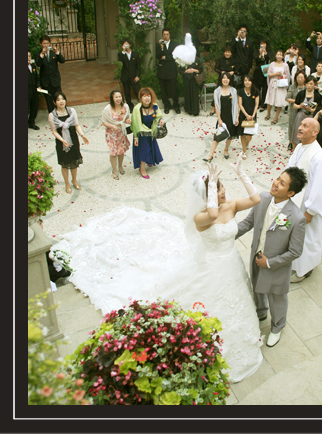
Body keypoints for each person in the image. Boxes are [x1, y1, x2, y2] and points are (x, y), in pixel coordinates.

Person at [48, 157, 267, 383]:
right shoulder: (200, 217)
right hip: (211, 265)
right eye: (218, 189)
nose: (223, 192)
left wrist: (242, 173)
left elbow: (256, 198)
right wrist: (212, 185)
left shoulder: (230, 206)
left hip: (230, 262)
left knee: (235, 301)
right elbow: (212, 215)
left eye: (221, 187)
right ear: (206, 194)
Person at [235, 167, 308, 348]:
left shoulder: (297, 218)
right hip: (256, 257)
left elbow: (295, 251)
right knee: (257, 287)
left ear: (291, 193)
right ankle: (260, 313)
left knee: (277, 297)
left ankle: (277, 326)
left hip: (275, 266)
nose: (275, 183)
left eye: (282, 183)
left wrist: (269, 263)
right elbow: (248, 223)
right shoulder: (262, 198)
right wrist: (227, 234)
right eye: (277, 178)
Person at [287, 118, 322, 282]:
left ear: (315, 132)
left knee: (307, 239)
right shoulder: (300, 147)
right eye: (300, 124)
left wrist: (311, 211)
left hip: (307, 207)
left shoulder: (319, 158)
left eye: (305, 126)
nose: (300, 128)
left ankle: (305, 270)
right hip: (295, 201)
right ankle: (294, 264)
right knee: (296, 236)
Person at [48, 91, 89, 193]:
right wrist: (62, 140)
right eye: (58, 100)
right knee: (65, 164)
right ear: (54, 102)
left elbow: (76, 125)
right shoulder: (52, 115)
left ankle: (74, 180)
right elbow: (54, 131)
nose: (61, 101)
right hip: (61, 143)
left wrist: (83, 135)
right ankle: (67, 183)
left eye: (63, 99)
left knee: (74, 161)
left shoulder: (72, 111)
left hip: (73, 140)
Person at [131, 87, 164, 179]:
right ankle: (142, 169)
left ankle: (149, 160)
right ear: (141, 98)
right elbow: (134, 124)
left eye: (148, 96)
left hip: (151, 132)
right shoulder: (137, 109)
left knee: (150, 147)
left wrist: (160, 120)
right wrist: (136, 138)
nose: (147, 98)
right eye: (144, 96)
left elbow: (159, 116)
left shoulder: (154, 106)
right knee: (144, 150)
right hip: (141, 134)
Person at [206, 72, 239, 162]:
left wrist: (237, 117)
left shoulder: (234, 90)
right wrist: (219, 119)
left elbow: (236, 104)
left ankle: (226, 150)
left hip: (231, 116)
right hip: (222, 116)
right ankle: (210, 155)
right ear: (221, 79)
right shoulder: (217, 91)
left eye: (227, 78)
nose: (225, 79)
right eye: (223, 78)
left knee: (229, 135)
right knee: (217, 135)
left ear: (230, 80)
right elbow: (216, 105)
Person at [101, 90, 131, 180]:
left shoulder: (125, 106)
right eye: (116, 97)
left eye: (120, 96)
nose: (118, 99)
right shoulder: (107, 109)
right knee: (113, 152)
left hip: (121, 132)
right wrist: (112, 126)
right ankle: (114, 170)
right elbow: (104, 122)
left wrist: (127, 121)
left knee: (121, 150)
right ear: (112, 98)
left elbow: (126, 118)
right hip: (111, 134)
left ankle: (120, 166)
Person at [289, 75, 322, 149]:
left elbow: (319, 109)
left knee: (308, 135)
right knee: (296, 134)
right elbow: (294, 105)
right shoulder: (301, 93)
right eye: (308, 83)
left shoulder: (318, 96)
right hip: (300, 115)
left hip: (311, 116)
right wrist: (300, 106)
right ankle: (295, 150)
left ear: (315, 85)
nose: (309, 86)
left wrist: (311, 110)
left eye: (311, 84)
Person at [36, 35, 65, 113]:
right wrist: (42, 54)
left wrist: (57, 53)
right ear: (41, 44)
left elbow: (62, 61)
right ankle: (52, 116)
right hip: (46, 81)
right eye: (44, 43)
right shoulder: (38, 54)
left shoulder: (53, 53)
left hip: (55, 80)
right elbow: (38, 64)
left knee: (59, 98)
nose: (46, 45)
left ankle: (61, 113)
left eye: (47, 43)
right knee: (49, 100)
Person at [156, 28, 180, 114]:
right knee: (164, 90)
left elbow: (175, 56)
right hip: (162, 70)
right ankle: (167, 105)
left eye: (167, 34)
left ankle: (176, 105)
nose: (165, 36)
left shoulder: (175, 44)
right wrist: (162, 48)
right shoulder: (159, 45)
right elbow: (158, 56)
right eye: (164, 34)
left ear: (170, 35)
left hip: (171, 70)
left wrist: (165, 57)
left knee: (173, 89)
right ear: (162, 35)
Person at [264, 49, 290, 125]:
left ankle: (276, 117)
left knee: (279, 101)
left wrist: (282, 75)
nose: (279, 56)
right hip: (273, 83)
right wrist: (275, 74)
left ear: (283, 56)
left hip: (281, 84)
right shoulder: (272, 64)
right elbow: (268, 74)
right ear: (275, 55)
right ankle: (268, 113)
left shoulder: (285, 65)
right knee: (270, 100)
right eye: (277, 54)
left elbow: (288, 76)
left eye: (280, 54)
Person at [284, 70, 306, 152]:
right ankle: (291, 141)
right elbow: (287, 98)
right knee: (292, 125)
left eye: (301, 77)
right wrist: (297, 101)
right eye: (298, 77)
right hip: (294, 109)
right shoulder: (293, 87)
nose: (300, 79)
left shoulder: (306, 87)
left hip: (303, 109)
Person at [238, 75, 259, 160]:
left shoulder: (256, 91)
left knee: (249, 135)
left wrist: (253, 115)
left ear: (252, 81)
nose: (247, 82)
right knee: (243, 134)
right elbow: (240, 104)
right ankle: (244, 151)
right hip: (243, 114)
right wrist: (246, 115)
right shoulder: (240, 91)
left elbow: (257, 104)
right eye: (245, 80)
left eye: (249, 80)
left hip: (252, 114)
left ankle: (246, 144)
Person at [117, 39, 141, 110]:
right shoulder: (121, 54)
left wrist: (137, 75)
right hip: (125, 77)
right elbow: (120, 59)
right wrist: (123, 51)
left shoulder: (135, 54)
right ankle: (130, 106)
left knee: (138, 91)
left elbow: (138, 66)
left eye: (127, 44)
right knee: (127, 92)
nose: (126, 46)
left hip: (134, 76)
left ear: (130, 45)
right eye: (124, 44)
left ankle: (141, 105)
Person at [180, 52, 204, 117]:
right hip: (186, 79)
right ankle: (189, 110)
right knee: (187, 93)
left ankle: (195, 111)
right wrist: (186, 71)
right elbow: (180, 71)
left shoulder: (197, 60)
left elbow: (201, 70)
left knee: (194, 94)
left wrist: (194, 70)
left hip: (194, 79)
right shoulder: (183, 61)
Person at [27, 52, 42, 130]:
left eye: (29, 56)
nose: (28, 58)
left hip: (34, 91)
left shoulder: (33, 66)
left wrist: (38, 85)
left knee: (34, 107)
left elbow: (37, 78)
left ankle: (31, 122)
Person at [254, 40, 270, 112]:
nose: (262, 45)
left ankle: (264, 105)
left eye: (264, 43)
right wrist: (260, 53)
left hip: (265, 71)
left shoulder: (269, 51)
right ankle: (257, 103)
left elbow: (268, 58)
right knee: (256, 88)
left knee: (264, 89)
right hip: (258, 72)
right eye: (261, 44)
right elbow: (257, 60)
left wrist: (265, 53)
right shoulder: (257, 51)